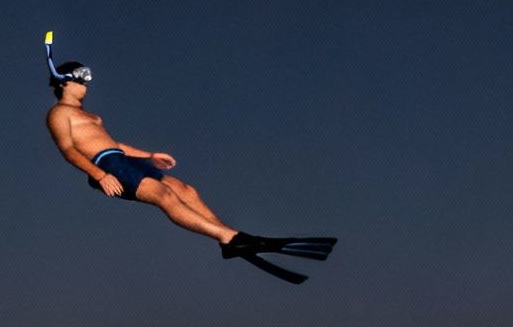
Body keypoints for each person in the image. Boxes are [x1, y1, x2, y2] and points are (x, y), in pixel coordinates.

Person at [42, 40, 335, 283]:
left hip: (121, 159)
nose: (86, 84)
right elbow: (68, 149)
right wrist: (99, 175)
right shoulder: (59, 114)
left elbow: (115, 145)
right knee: (164, 196)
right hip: (106, 167)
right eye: (81, 78)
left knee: (186, 190)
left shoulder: (92, 116)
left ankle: (230, 238)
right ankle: (229, 237)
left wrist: (148, 156)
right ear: (64, 81)